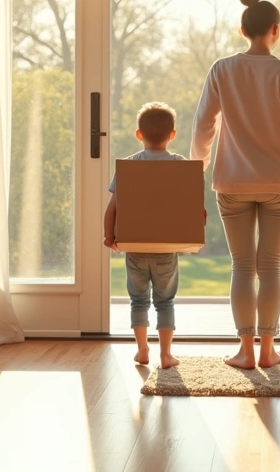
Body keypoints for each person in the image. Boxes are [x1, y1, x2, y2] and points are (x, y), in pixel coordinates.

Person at [192, 0, 280, 370]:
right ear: (275, 30)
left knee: (242, 267)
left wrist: (195, 168)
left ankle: (245, 352)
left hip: (231, 183)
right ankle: (268, 351)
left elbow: (203, 127)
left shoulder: (222, 69)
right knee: (271, 267)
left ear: (242, 29)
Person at [103, 102, 188, 369]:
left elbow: (113, 207)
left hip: (135, 247)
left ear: (138, 134)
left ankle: (142, 350)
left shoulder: (128, 166)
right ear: (172, 134)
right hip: (166, 249)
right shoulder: (179, 165)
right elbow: (191, 206)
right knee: (165, 301)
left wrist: (109, 236)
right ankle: (165, 355)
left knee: (138, 300)